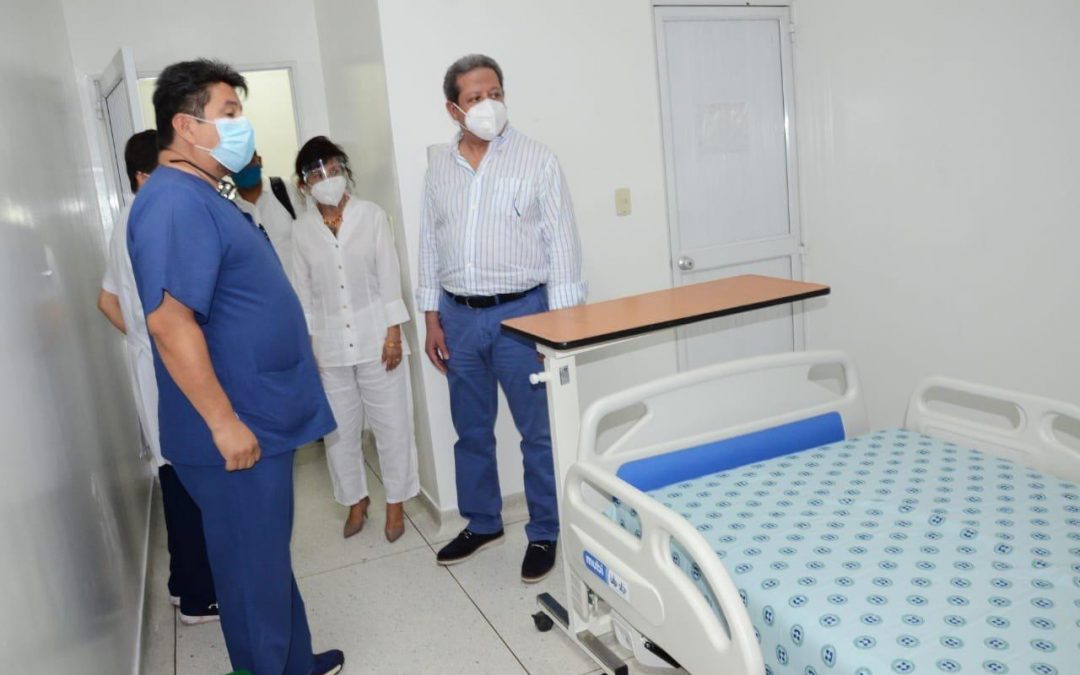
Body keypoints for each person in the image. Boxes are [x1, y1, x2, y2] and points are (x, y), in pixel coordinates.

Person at [126, 59, 343, 675]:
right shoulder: (173, 202)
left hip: (257, 415)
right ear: (186, 126)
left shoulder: (203, 194)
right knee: (251, 573)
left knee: (263, 559)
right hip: (233, 428)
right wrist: (223, 424)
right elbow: (170, 323)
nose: (241, 124)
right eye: (229, 113)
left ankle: (293, 662)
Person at [417, 54, 586, 583]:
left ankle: (546, 530)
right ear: (453, 109)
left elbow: (562, 246)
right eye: (474, 97)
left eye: (495, 93)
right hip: (458, 316)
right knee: (470, 429)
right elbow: (429, 242)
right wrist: (431, 316)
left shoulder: (537, 159)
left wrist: (561, 327)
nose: (488, 105)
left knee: (538, 433)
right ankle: (483, 522)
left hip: (524, 315)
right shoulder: (439, 165)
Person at [97, 129, 219, 626]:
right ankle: (197, 598)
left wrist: (143, 344)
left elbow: (107, 300)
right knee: (187, 483)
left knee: (173, 476)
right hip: (169, 374)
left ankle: (180, 583)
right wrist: (157, 344)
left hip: (153, 368)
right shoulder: (150, 222)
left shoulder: (125, 221)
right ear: (144, 176)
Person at [292, 136, 420, 542]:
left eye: (334, 169)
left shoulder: (372, 216)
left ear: (344, 171)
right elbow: (303, 296)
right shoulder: (301, 231)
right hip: (329, 348)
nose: (328, 179)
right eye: (317, 174)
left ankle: (396, 503)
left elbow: (389, 279)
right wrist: (308, 350)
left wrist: (393, 335)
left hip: (377, 340)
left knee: (393, 426)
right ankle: (355, 500)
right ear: (303, 184)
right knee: (339, 433)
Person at [232, 150, 301, 282]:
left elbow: (309, 236)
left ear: (259, 161)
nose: (244, 168)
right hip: (259, 290)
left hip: (299, 288)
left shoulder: (285, 189)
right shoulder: (229, 208)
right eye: (238, 165)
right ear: (228, 170)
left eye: (249, 162)